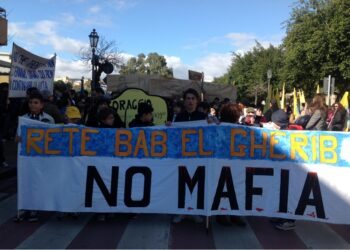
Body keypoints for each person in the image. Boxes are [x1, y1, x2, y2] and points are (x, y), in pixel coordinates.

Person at [14, 92, 55, 222]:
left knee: (39, 182)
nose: (33, 105)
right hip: (27, 158)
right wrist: (19, 138)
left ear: (42, 105)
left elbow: (54, 138)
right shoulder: (23, 118)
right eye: (31, 102)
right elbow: (16, 138)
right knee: (26, 181)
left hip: (42, 157)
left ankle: (35, 208)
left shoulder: (48, 119)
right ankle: (23, 208)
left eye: (36, 102)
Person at [172, 88, 205, 224]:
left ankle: (195, 211)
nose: (190, 101)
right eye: (188, 98)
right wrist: (169, 127)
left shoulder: (203, 118)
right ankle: (182, 211)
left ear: (197, 101)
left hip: (198, 157)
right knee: (181, 184)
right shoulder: (179, 118)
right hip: (183, 157)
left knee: (197, 185)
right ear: (184, 101)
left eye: (193, 98)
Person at [216, 103, 247, 227]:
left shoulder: (240, 128)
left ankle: (227, 215)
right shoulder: (219, 127)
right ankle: (226, 215)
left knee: (226, 189)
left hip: (230, 164)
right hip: (227, 163)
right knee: (231, 189)